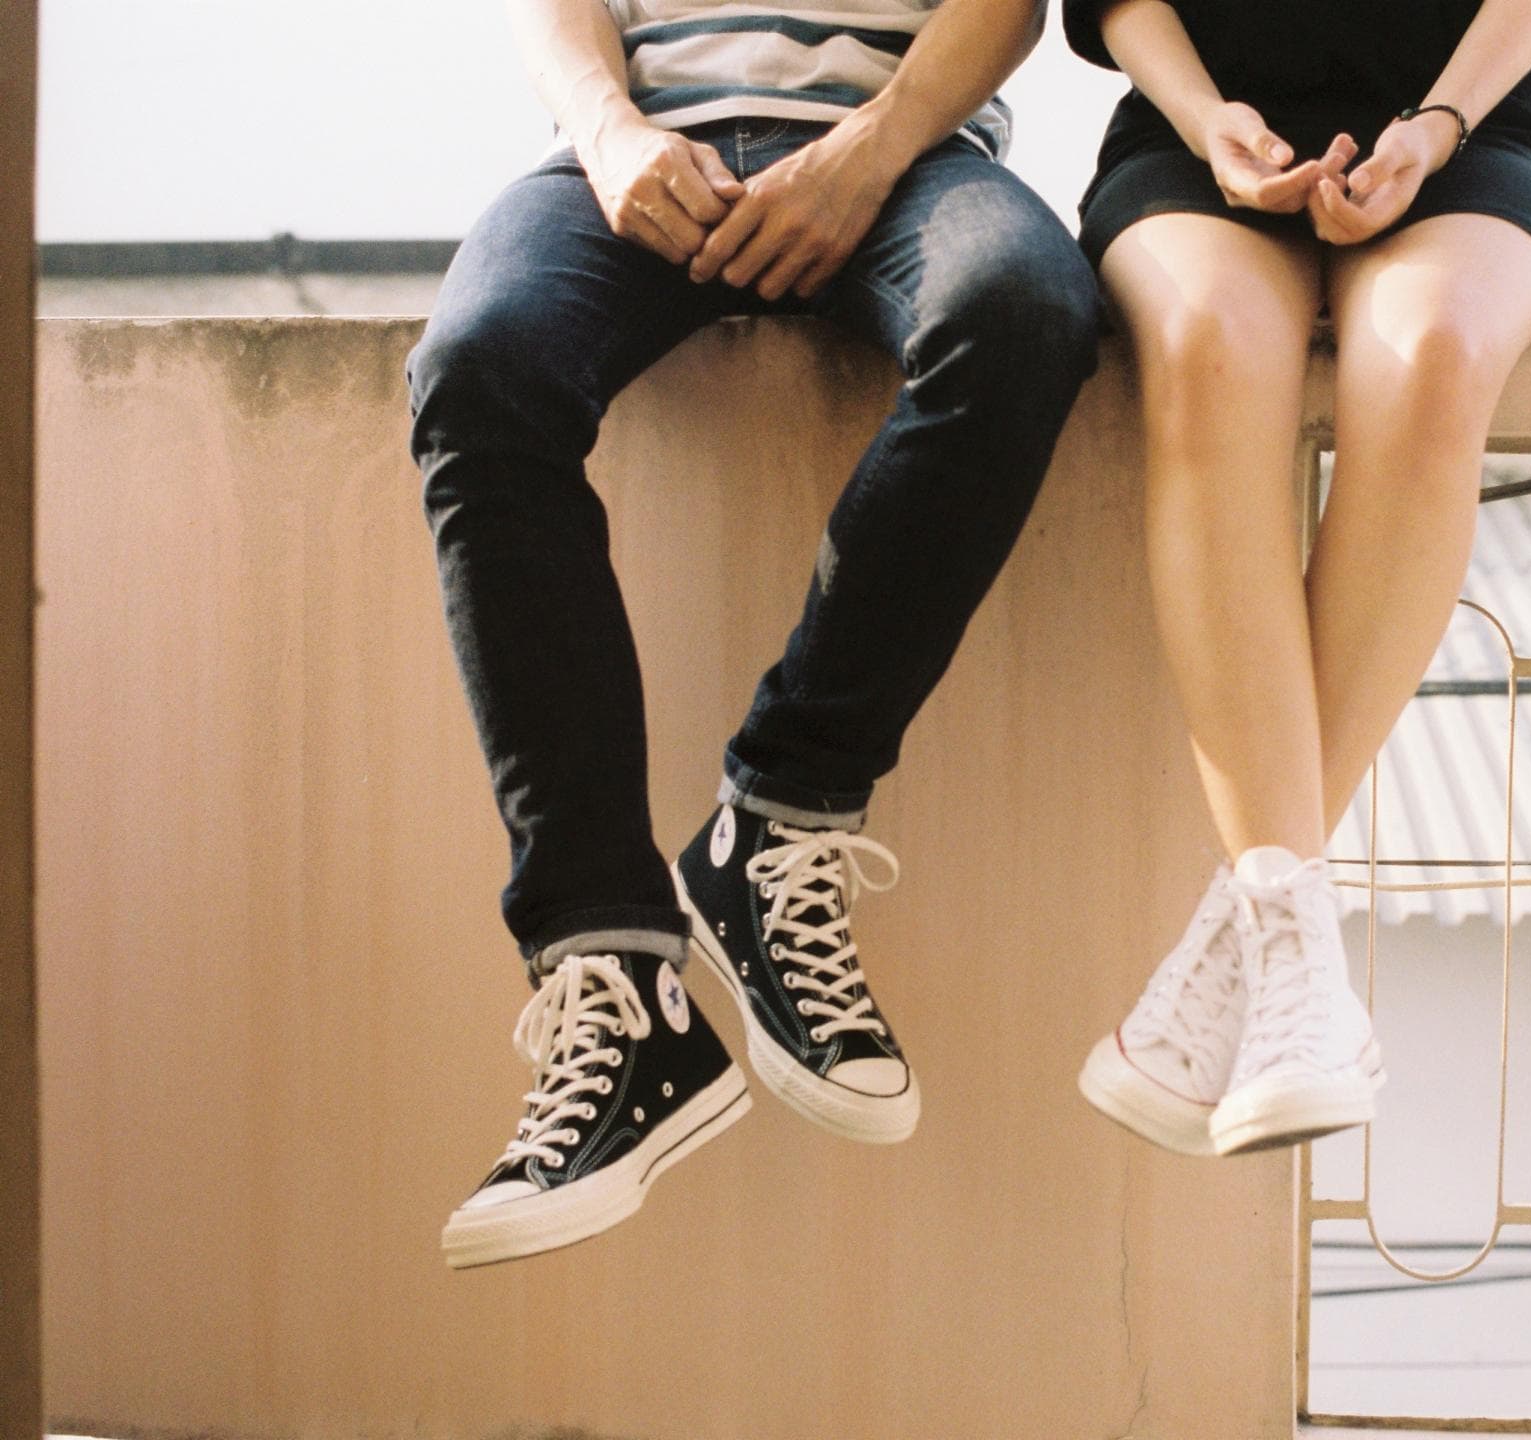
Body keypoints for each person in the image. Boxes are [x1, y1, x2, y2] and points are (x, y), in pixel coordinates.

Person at [411, 0, 1099, 1268]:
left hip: (905, 157)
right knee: (478, 364)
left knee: (1024, 308)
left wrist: (872, 145)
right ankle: (616, 978)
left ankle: (776, 818)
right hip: (632, 154)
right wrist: (611, 133)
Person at [1063, 0, 1531, 1157]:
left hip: (1467, 139)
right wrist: (1208, 122)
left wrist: (1432, 130)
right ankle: (1300, 973)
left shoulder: (1456, 131)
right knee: (1205, 340)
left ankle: (1253, 939)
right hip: (1196, 145)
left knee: (1434, 353)